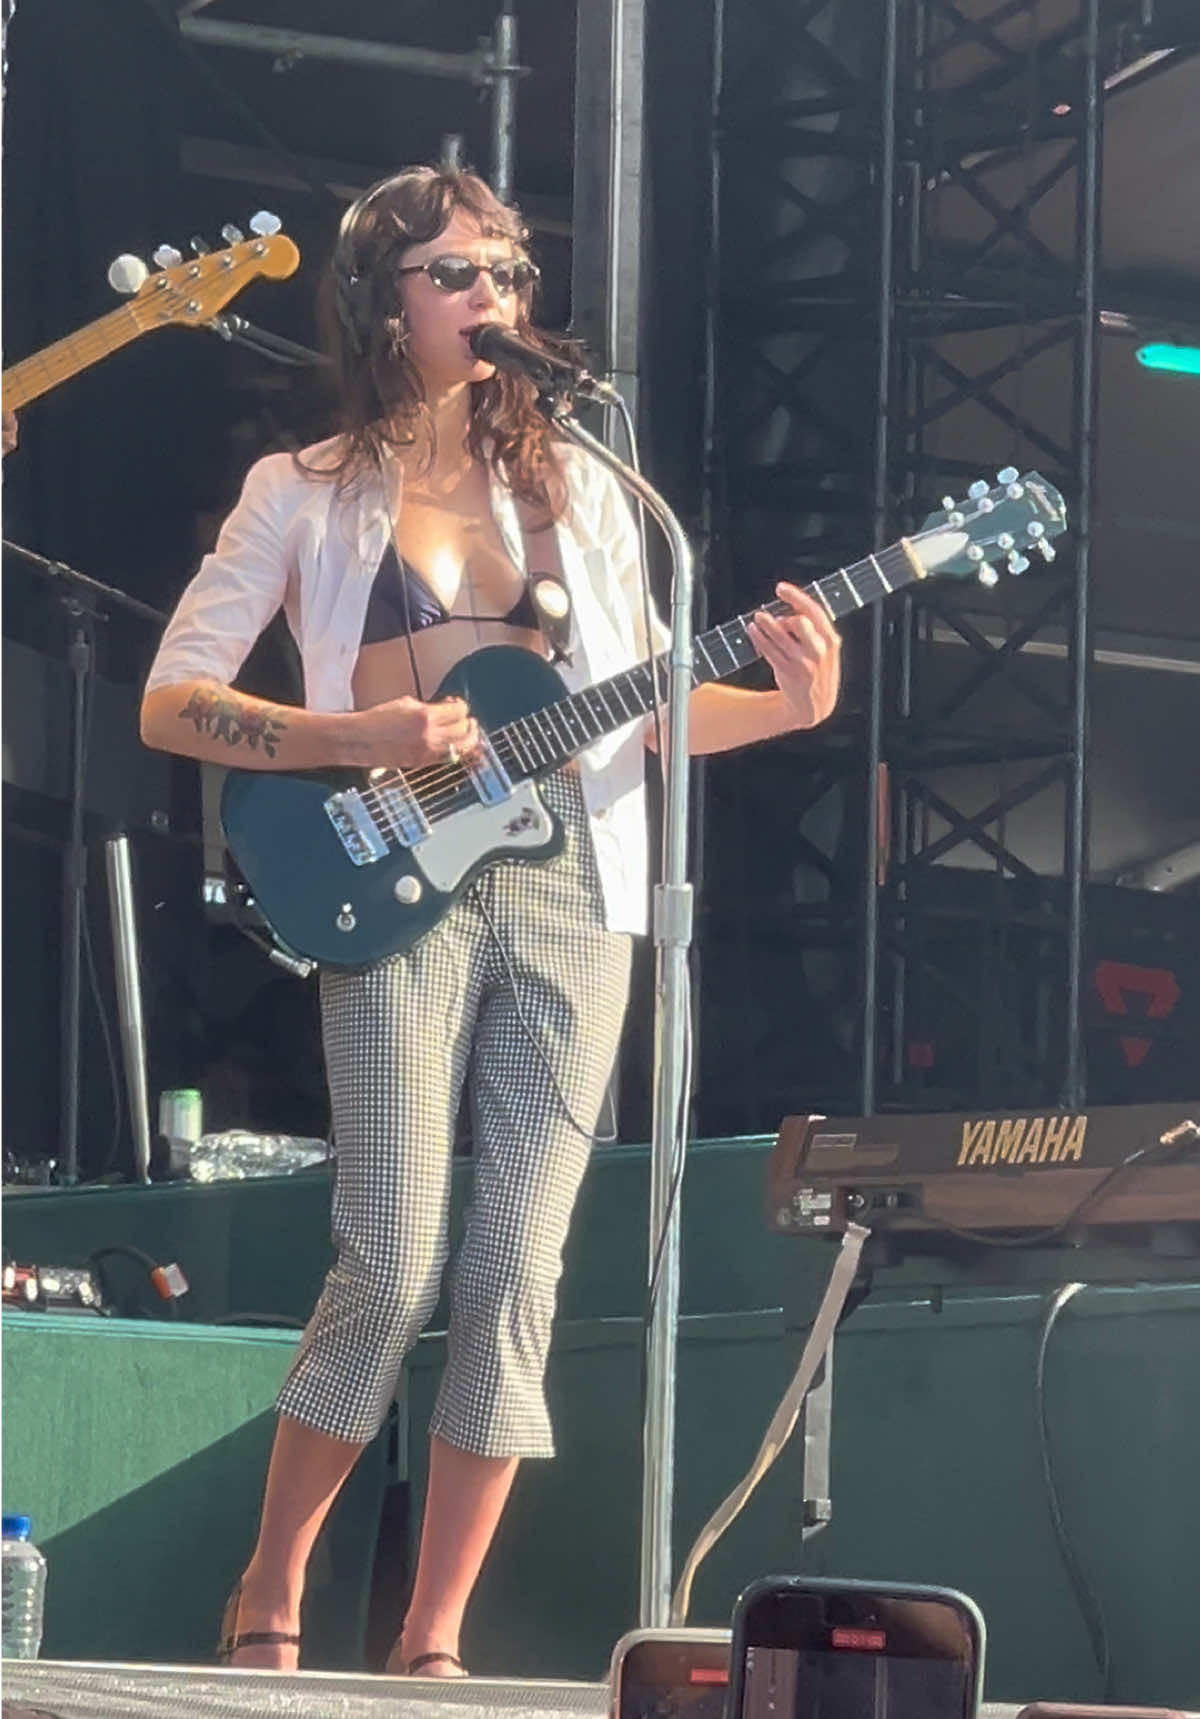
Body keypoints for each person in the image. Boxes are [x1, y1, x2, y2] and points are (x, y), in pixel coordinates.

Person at [139, 165, 841, 1677]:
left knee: (516, 1275)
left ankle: (430, 1640)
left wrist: (781, 708)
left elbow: (644, 716)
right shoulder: (304, 492)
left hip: (576, 890)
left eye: (510, 275)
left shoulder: (584, 488)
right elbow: (173, 700)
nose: (494, 304)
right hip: (389, 878)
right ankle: (273, 1587)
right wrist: (357, 736)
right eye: (458, 276)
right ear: (381, 304)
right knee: (391, 1258)